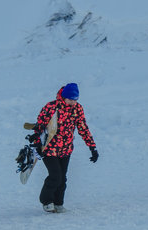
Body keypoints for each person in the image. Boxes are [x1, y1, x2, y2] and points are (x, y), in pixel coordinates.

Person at [29, 82, 98, 213]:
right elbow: (40, 126)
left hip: (66, 150)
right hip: (49, 149)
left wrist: (92, 148)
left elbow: (83, 128)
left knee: (63, 178)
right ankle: (47, 201)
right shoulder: (51, 107)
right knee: (55, 175)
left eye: (75, 99)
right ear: (64, 96)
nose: (73, 102)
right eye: (71, 99)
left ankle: (58, 203)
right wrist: (38, 143)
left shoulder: (77, 109)